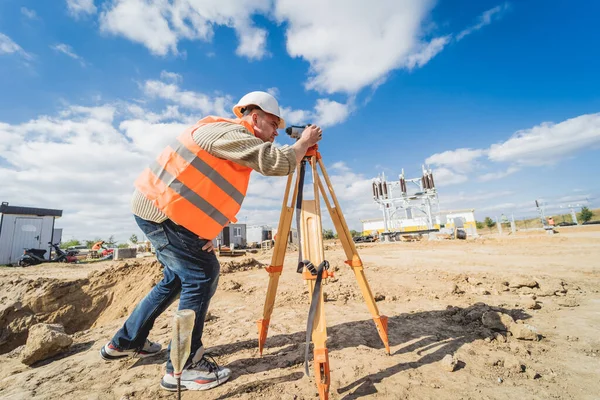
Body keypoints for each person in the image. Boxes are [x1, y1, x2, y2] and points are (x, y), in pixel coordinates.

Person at [99, 91, 322, 392]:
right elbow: (275, 163)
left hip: (166, 212)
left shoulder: (233, 138)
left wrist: (208, 228)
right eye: (272, 124)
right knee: (202, 275)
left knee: (176, 280)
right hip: (163, 212)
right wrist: (304, 142)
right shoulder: (231, 133)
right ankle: (183, 366)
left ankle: (125, 342)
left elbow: (204, 186)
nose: (275, 133)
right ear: (254, 118)